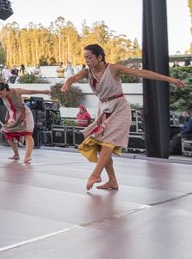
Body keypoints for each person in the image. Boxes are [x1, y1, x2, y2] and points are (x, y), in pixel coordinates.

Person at [61, 44, 185, 191]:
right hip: (104, 109)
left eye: (89, 57)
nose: (87, 60)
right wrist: (67, 84)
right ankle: (112, 181)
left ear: (99, 57)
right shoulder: (88, 72)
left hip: (120, 108)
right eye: (85, 58)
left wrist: (168, 79)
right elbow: (73, 78)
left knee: (107, 141)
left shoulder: (113, 69)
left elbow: (141, 73)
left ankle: (95, 174)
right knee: (101, 145)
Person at [0, 80, 52, 163]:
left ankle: (27, 156)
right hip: (13, 116)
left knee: (28, 134)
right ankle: (16, 154)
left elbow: (31, 91)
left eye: (0, 93)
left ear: (5, 89)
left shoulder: (17, 91)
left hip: (24, 115)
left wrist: (44, 92)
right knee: (7, 133)